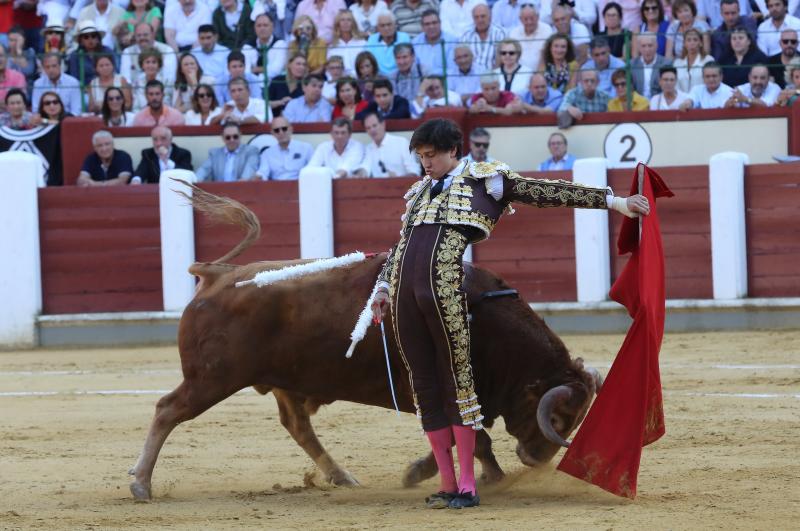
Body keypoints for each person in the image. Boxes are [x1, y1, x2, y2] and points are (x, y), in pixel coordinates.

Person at [369, 117, 650, 510]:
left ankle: (468, 485)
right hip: (405, 303)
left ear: (453, 151)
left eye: (431, 155)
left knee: (458, 385)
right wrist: (382, 288)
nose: (425, 163)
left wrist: (616, 202)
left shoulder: (489, 180)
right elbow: (400, 247)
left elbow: (548, 192)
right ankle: (448, 483)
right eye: (420, 156)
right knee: (425, 388)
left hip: (445, 296)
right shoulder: (418, 192)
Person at [254, 116, 314, 180]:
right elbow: (263, 173)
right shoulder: (267, 154)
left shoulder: (306, 148)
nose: (281, 132)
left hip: (302, 186)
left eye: (284, 129)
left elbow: (314, 170)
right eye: (276, 130)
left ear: (291, 129)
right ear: (272, 134)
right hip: (277, 188)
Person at [196, 123, 260, 181]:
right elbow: (203, 170)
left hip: (242, 191)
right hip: (219, 192)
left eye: (235, 136)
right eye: (228, 137)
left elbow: (250, 170)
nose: (232, 140)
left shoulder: (251, 151)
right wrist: (196, 180)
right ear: (223, 137)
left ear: (240, 135)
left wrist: (239, 186)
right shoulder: (215, 153)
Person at [120, 22, 177, 87]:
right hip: (135, 92)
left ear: (153, 35)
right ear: (135, 36)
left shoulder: (167, 50)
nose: (142, 38)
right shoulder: (127, 52)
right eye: (139, 35)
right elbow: (126, 79)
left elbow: (169, 79)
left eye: (145, 35)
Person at [363, 111, 419, 177]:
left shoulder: (401, 143)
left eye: (374, 125)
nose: (372, 130)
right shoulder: (368, 149)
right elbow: (364, 169)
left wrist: (397, 179)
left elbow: (414, 172)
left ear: (383, 124)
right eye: (368, 128)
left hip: (403, 186)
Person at [67, 21, 115, 85]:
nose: (90, 39)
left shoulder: (107, 51)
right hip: (84, 91)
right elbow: (74, 78)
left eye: (93, 36)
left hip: (107, 87)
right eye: (86, 37)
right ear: (81, 41)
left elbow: (114, 72)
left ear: (98, 38)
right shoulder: (75, 55)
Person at [461, 3, 506, 72]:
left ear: (490, 17)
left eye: (483, 16)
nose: (480, 20)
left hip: (494, 75)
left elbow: (502, 59)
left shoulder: (500, 33)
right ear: (473, 18)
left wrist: (492, 75)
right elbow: (462, 58)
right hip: (471, 76)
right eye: (476, 17)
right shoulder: (466, 34)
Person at [412, 9, 457, 78]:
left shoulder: (452, 41)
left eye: (434, 23)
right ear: (422, 27)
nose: (431, 27)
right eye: (427, 24)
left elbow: (452, 70)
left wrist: (431, 74)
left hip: (446, 81)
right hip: (423, 82)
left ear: (440, 23)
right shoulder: (415, 43)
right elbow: (415, 70)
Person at [245, 13, 288, 82]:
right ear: (254, 28)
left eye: (265, 25)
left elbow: (276, 70)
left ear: (272, 27)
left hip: (273, 84)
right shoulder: (247, 46)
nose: (262, 28)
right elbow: (246, 72)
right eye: (259, 26)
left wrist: (256, 69)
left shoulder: (280, 44)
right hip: (253, 85)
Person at [510, 4, 553, 73]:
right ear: (520, 19)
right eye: (526, 19)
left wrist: (538, 76)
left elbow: (546, 56)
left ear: (538, 17)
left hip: (542, 72)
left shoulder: (547, 29)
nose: (529, 22)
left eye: (532, 18)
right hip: (519, 73)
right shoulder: (514, 33)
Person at [673, 28, 715, 92]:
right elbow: (676, 87)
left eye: (695, 40)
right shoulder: (677, 63)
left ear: (700, 43)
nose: (692, 43)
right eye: (689, 40)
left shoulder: (708, 60)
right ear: (684, 43)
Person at [326, 9, 366, 76]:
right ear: (338, 24)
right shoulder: (332, 47)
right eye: (342, 20)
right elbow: (328, 71)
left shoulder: (363, 44)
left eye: (349, 20)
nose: (345, 22)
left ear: (353, 23)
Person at [631, 33, 671, 98]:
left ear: (656, 46)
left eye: (650, 45)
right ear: (639, 48)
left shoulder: (666, 63)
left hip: (659, 102)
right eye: (643, 46)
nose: (647, 50)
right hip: (638, 103)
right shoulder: (632, 64)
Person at [0, 43, 26, 110]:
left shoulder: (18, 77)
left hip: (13, 117)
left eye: (1, 56)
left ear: (7, 57)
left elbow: (19, 103)